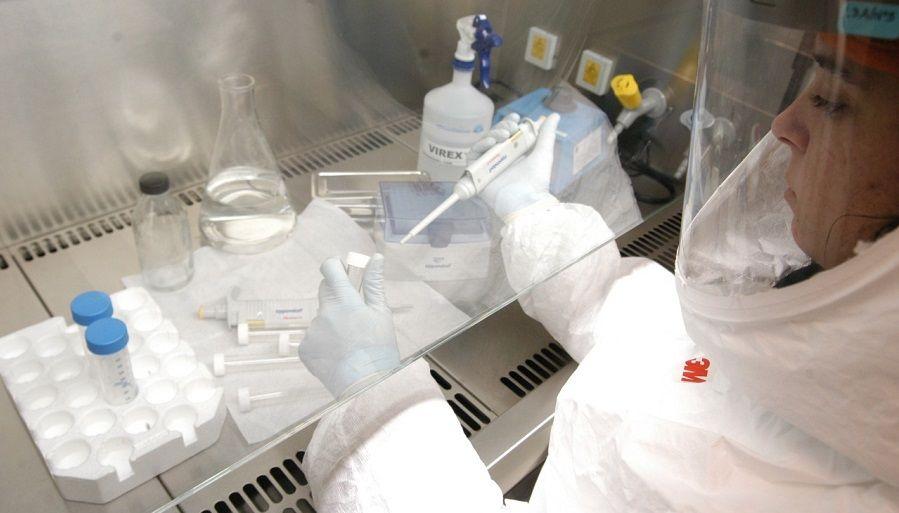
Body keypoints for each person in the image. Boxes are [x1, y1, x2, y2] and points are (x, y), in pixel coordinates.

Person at [297, 15, 899, 513]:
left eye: (834, 101)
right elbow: (671, 344)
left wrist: (372, 397)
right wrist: (531, 212)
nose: (782, 125)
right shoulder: (846, 353)